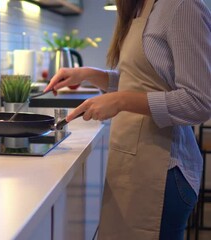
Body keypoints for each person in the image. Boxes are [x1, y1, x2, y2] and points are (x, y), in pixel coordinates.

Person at [44, 0, 211, 239]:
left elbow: (199, 102)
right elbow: (141, 81)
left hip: (163, 173)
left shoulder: (182, 6)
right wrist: (90, 75)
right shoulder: (140, 6)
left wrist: (122, 101)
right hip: (132, 164)